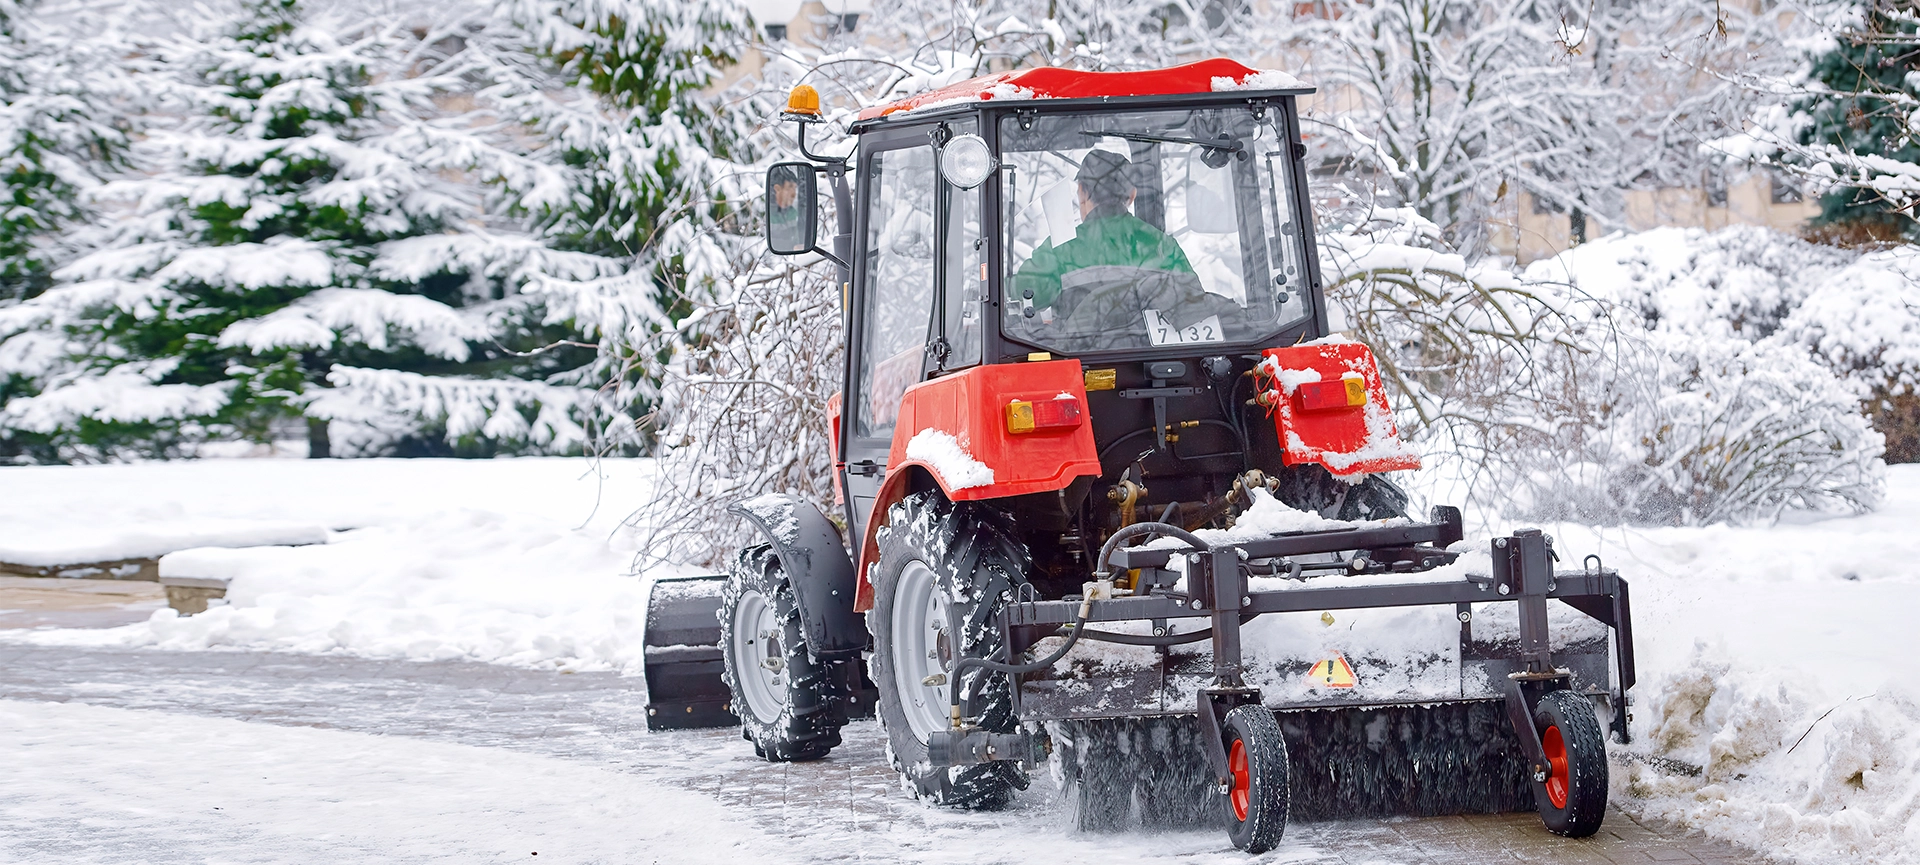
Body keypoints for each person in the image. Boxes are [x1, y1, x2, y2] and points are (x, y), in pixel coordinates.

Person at [1011, 150, 1195, 311]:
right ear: (1132, 195)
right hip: (1150, 351)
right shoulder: (1162, 246)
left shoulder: (1061, 248)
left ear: (1081, 191)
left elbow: (1019, 294)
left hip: (1077, 350)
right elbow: (1194, 307)